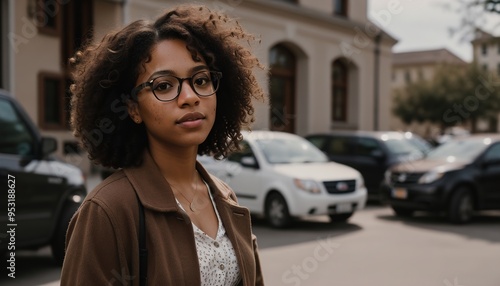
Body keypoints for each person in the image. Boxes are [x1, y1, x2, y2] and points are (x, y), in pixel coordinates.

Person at [61, 4, 265, 285]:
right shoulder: (108, 210)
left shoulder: (224, 196)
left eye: (201, 80)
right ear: (132, 108)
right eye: (164, 86)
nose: (190, 97)